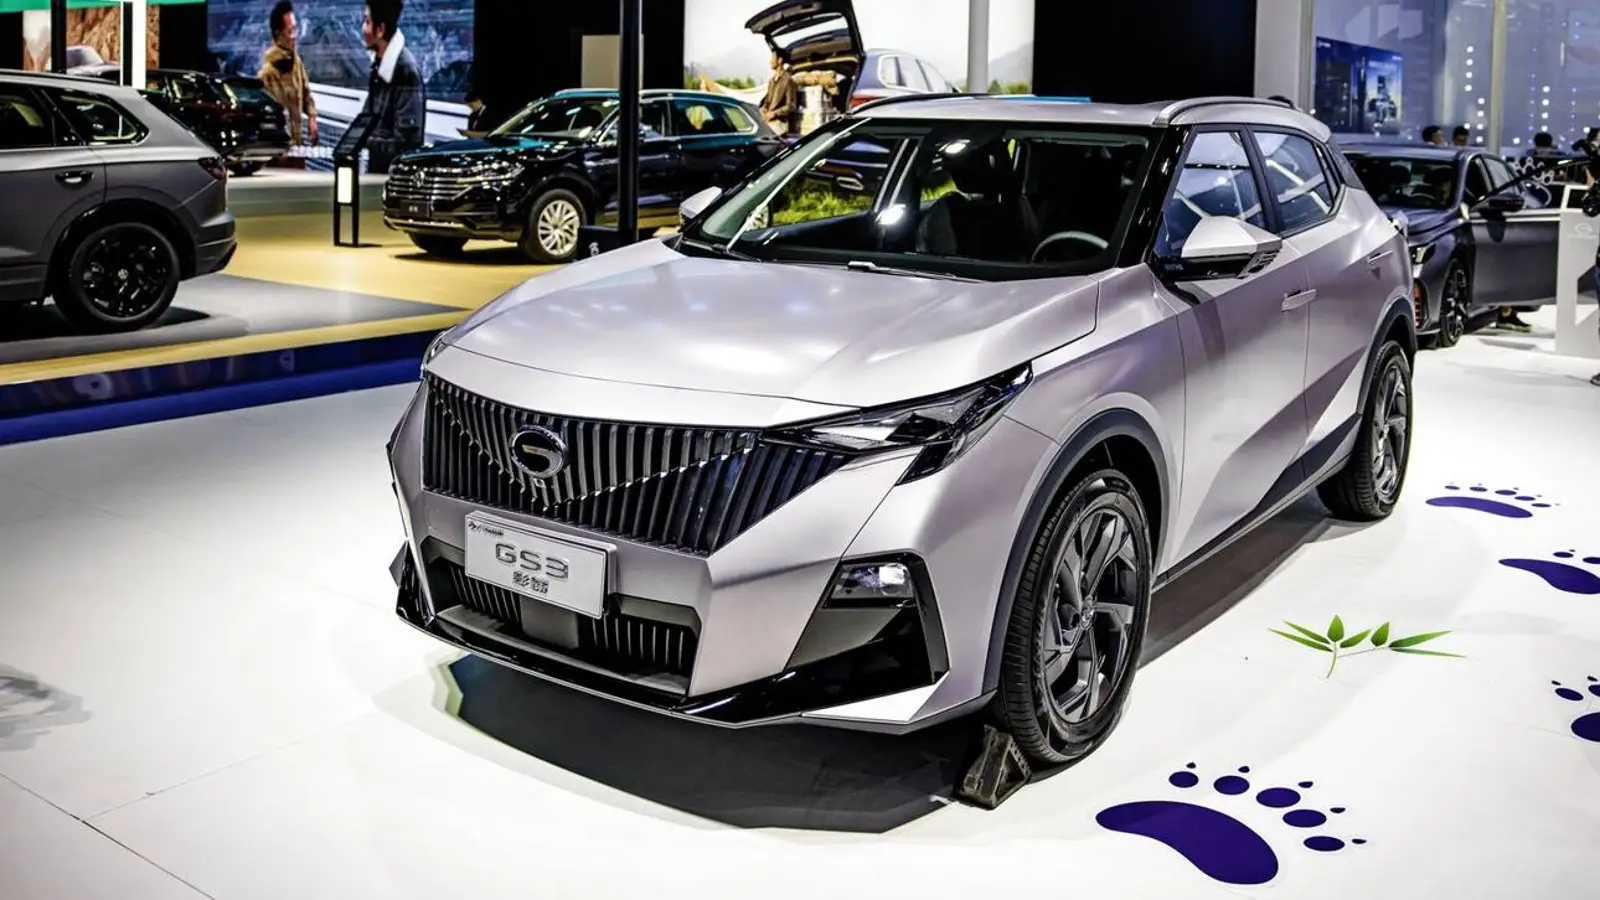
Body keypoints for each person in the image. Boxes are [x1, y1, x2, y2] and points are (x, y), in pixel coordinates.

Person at [357, 0, 426, 174]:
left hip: (395, 180)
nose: (363, 28)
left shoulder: (405, 72)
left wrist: (363, 140)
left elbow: (406, 144)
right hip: (378, 176)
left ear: (380, 29)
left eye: (367, 21)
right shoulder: (379, 67)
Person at [258, 1, 317, 148]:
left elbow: (306, 94)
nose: (295, 36)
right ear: (278, 34)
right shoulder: (267, 74)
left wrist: (312, 118)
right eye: (290, 31)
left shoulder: (296, 62)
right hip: (279, 150)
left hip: (297, 146)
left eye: (295, 29)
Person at [758, 51, 797, 136]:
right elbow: (767, 100)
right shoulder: (771, 81)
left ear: (780, 60)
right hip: (768, 122)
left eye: (773, 58)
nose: (770, 61)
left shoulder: (788, 80)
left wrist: (774, 114)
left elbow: (791, 105)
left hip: (779, 124)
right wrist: (764, 108)